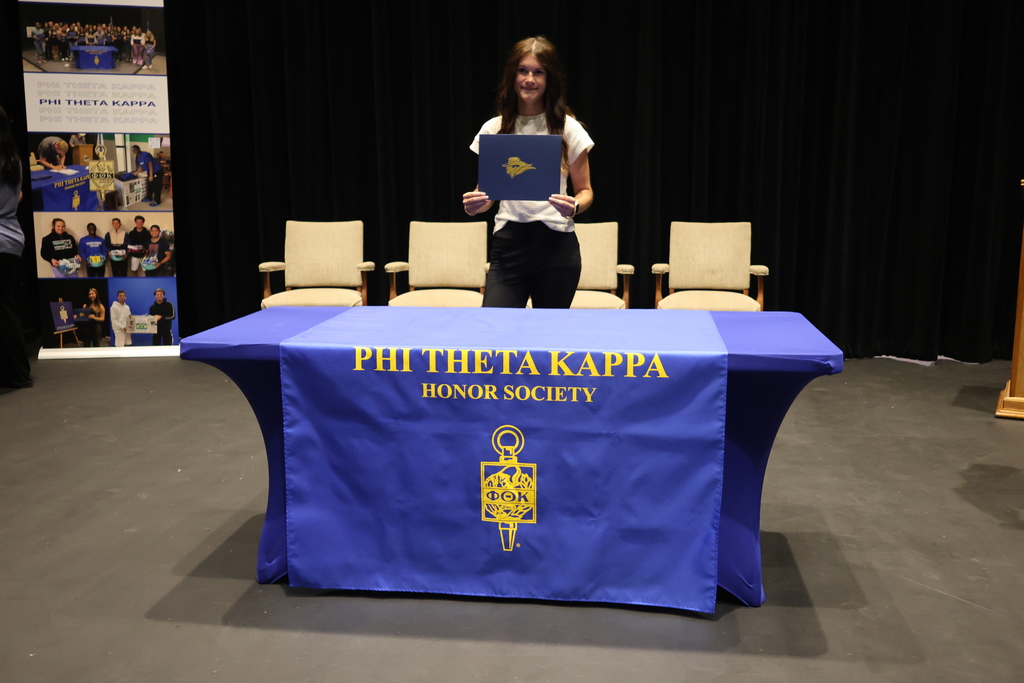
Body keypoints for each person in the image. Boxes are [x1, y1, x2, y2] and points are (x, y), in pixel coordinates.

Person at [462, 36, 594, 309]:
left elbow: (586, 191)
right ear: (512, 76)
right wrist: (476, 204)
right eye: (522, 70)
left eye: (538, 72)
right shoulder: (493, 129)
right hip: (508, 247)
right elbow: (486, 193)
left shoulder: (569, 129)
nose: (529, 79)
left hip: (557, 247)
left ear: (550, 78)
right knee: (496, 336)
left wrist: (574, 207)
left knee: (548, 341)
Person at [0, 105, 32, 388]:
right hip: (11, 240)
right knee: (6, 307)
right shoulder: (13, 160)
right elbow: (18, 195)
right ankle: (18, 373)